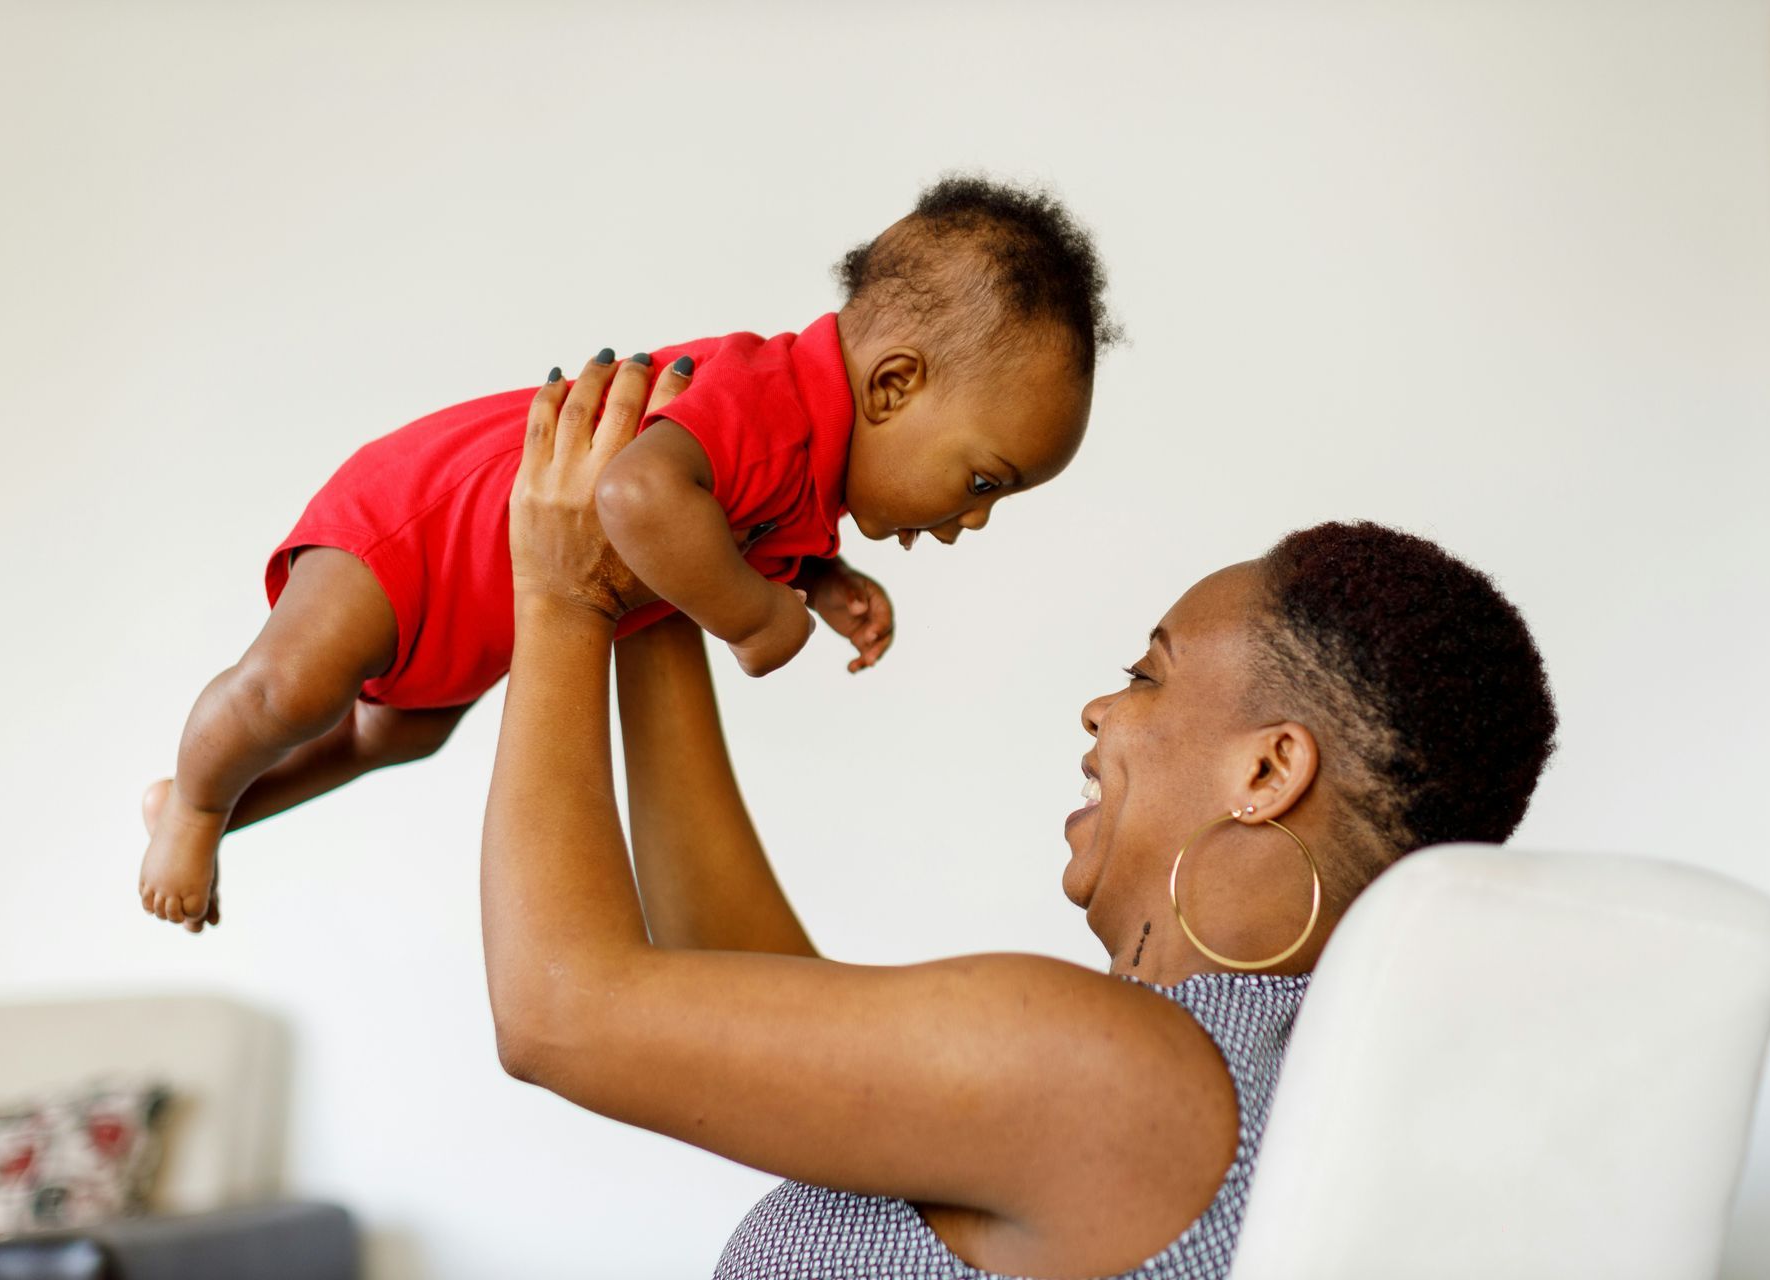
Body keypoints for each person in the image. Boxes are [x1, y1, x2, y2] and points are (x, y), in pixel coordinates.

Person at [483, 356, 1559, 1276]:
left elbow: (559, 1014)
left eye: (1147, 673)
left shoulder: (1129, 1073)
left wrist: (559, 596)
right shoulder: (1257, 1075)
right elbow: (747, 985)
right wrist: (655, 595)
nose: (1100, 707)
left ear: (1270, 768)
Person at [139, 175, 1116, 931]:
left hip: (484, 616)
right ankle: (192, 803)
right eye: (985, 479)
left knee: (397, 734)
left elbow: (735, 516)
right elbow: (638, 492)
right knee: (286, 693)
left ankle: (217, 805)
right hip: (417, 533)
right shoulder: (768, 397)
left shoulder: (805, 469)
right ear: (895, 384)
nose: (977, 517)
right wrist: (751, 614)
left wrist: (822, 576)